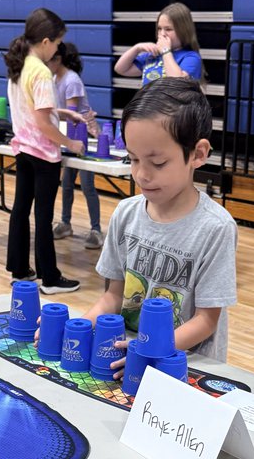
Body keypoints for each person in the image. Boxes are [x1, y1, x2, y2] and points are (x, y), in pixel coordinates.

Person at [82, 78, 237, 371]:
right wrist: (80, 326)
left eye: (159, 163)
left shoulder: (215, 228)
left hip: (185, 367)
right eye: (133, 159)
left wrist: (150, 350)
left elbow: (206, 320)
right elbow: (113, 296)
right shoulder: (126, 214)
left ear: (198, 154)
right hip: (126, 361)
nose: (141, 175)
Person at [4, 8, 85, 295]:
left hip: (23, 149)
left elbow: (31, 108)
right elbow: (43, 122)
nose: (59, 47)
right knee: (43, 215)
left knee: (21, 209)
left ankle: (19, 270)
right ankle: (49, 277)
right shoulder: (41, 72)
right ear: (47, 41)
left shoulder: (20, 65)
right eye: (59, 42)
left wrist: (61, 111)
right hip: (42, 153)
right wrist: (70, 142)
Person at [49, 42, 104, 250]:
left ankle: (96, 230)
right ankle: (65, 223)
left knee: (88, 184)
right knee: (67, 183)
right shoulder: (55, 79)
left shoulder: (72, 80)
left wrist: (49, 113)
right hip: (69, 136)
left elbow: (72, 114)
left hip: (84, 136)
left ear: (58, 59)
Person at [113, 2, 204, 87]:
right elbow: (121, 69)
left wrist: (165, 51)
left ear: (184, 31)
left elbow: (176, 83)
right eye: (159, 29)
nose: (162, 34)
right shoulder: (152, 56)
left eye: (168, 29)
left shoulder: (191, 57)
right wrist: (136, 48)